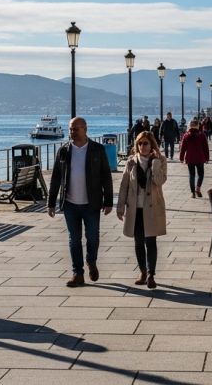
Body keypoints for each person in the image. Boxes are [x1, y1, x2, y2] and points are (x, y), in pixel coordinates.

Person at [48, 117, 114, 287]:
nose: (72, 132)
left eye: (75, 129)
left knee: (92, 237)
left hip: (91, 203)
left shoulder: (97, 150)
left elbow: (106, 175)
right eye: (70, 129)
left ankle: (91, 261)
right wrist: (50, 202)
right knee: (74, 239)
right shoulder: (63, 150)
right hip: (70, 204)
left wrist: (108, 201)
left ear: (85, 129)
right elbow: (56, 177)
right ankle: (77, 273)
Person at [116, 131, 168, 288]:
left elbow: (159, 181)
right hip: (135, 208)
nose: (142, 146)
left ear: (152, 144)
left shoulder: (160, 160)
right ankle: (143, 271)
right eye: (140, 143)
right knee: (138, 242)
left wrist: (155, 164)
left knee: (151, 241)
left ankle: (152, 274)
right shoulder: (131, 161)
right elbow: (124, 185)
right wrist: (120, 207)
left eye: (146, 143)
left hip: (151, 208)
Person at [179, 119, 210, 198]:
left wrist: (181, 157)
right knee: (201, 174)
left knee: (191, 175)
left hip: (190, 158)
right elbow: (205, 147)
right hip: (200, 158)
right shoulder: (202, 135)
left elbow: (183, 148)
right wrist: (207, 157)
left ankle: (192, 193)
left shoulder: (186, 135)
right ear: (197, 126)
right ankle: (198, 188)